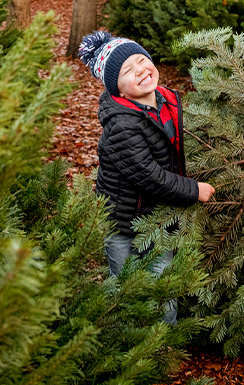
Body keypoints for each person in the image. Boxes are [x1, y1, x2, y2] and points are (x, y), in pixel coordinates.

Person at [78, 29, 215, 324]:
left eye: (142, 60)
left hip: (158, 216)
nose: (140, 70)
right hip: (121, 221)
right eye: (128, 70)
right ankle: (126, 339)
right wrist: (193, 190)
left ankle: (162, 341)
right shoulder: (121, 125)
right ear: (118, 90)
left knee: (162, 278)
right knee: (125, 282)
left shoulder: (165, 101)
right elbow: (148, 175)